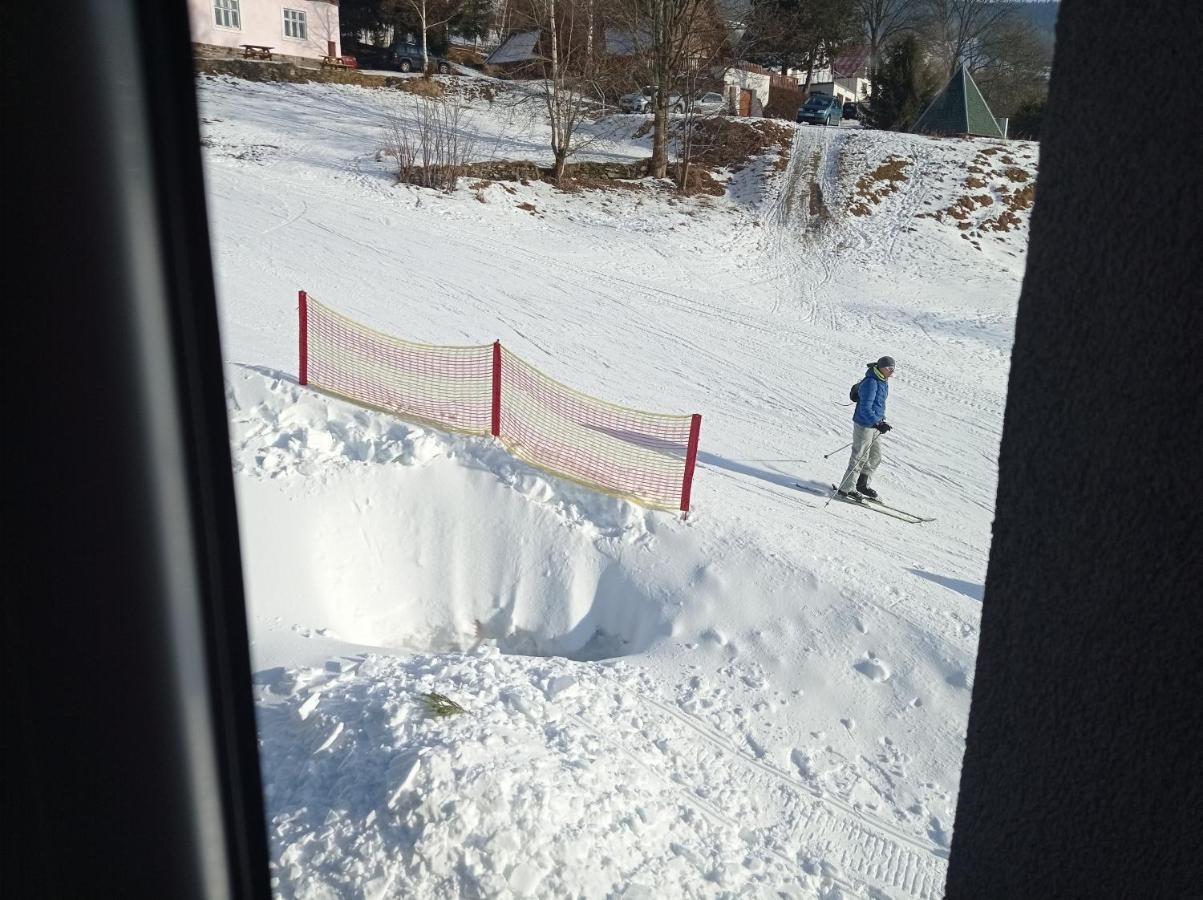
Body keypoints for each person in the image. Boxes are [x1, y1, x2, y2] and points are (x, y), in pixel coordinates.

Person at [836, 356, 895, 500]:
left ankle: (861, 484)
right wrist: (877, 422)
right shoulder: (871, 382)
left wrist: (881, 421)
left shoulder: (882, 380)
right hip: (864, 424)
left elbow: (878, 404)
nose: (891, 370)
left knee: (875, 456)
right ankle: (846, 488)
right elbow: (865, 407)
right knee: (860, 457)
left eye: (893, 368)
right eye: (888, 367)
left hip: (875, 424)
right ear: (880, 367)